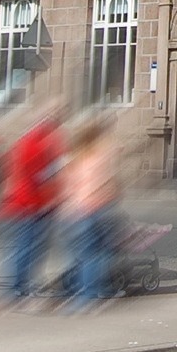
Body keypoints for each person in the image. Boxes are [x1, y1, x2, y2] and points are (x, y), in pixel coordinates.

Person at [0, 108, 64, 303]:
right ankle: (18, 288)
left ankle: (18, 286)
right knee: (27, 248)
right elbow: (39, 177)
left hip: (24, 204)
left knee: (24, 247)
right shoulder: (37, 144)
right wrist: (50, 198)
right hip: (30, 205)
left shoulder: (27, 142)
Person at [63, 112, 122, 307]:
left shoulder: (77, 156)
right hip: (97, 208)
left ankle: (80, 289)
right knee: (99, 252)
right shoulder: (102, 155)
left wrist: (69, 205)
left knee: (83, 252)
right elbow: (108, 183)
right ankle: (91, 292)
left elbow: (70, 184)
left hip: (78, 209)